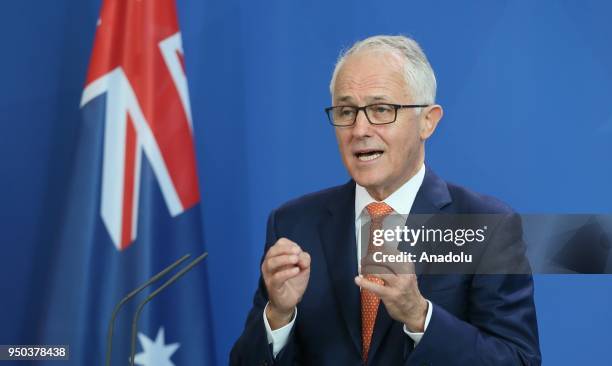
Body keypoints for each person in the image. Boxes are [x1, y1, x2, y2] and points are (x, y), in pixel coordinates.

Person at [230, 35, 541, 365]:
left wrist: (419, 316)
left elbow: (518, 359)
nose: (360, 128)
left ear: (427, 121)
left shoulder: (485, 225)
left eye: (381, 109)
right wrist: (278, 316)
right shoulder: (294, 224)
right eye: (346, 111)